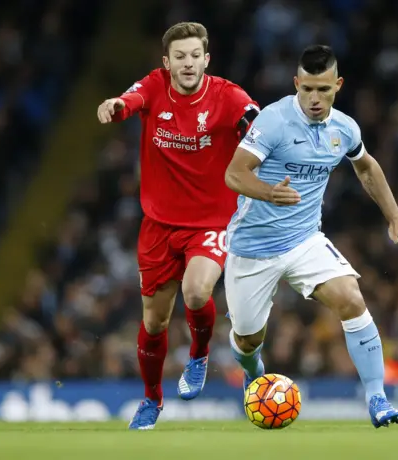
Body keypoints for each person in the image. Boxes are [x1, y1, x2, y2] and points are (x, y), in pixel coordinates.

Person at [223, 45, 398, 428]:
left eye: (324, 90)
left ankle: (378, 399)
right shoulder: (273, 121)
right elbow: (234, 174)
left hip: (304, 239)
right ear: (296, 84)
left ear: (338, 85)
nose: (315, 99)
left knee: (351, 297)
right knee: (248, 339)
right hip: (253, 247)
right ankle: (253, 373)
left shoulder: (345, 128)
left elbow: (366, 167)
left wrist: (395, 218)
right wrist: (269, 192)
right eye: (308, 89)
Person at [96, 22, 259, 430]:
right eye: (179, 57)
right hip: (158, 225)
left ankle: (199, 354)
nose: (188, 64)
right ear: (167, 63)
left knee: (197, 288)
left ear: (207, 59)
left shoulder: (227, 96)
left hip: (211, 221)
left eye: (195, 56)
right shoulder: (154, 86)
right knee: (154, 322)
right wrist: (116, 105)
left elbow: (258, 122)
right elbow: (129, 100)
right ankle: (151, 400)